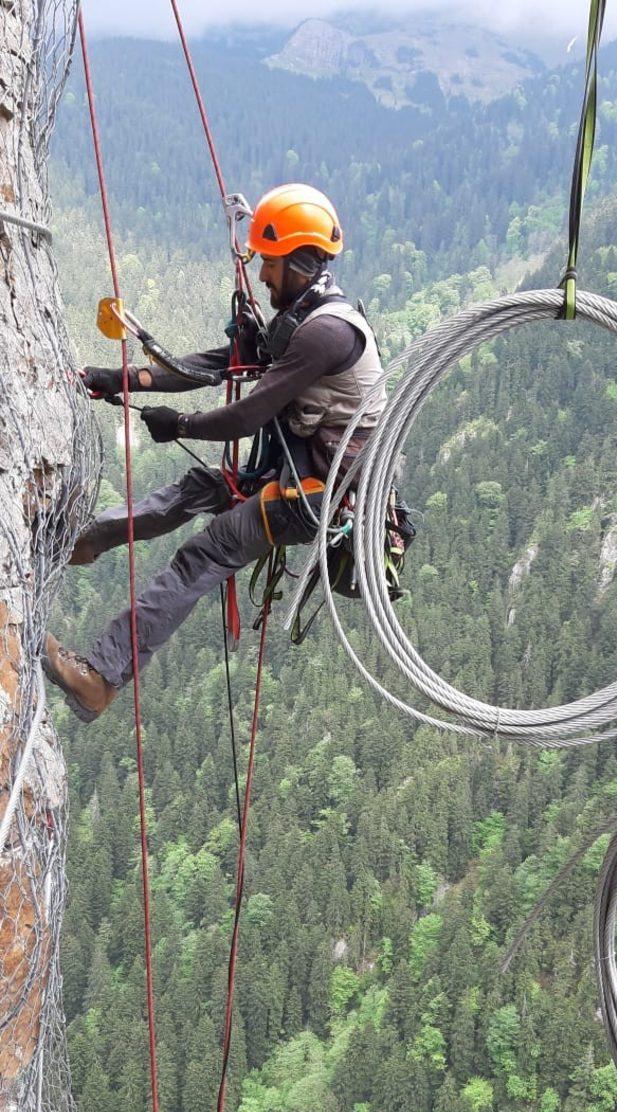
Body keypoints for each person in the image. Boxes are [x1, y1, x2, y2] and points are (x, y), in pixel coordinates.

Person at [44, 183, 386, 721]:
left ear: (297, 261)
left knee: (202, 556)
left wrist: (178, 425)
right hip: (291, 472)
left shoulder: (326, 334)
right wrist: (120, 379)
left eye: (269, 264)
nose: (262, 275)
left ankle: (101, 679)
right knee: (194, 489)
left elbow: (247, 414)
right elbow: (211, 364)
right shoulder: (299, 318)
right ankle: (82, 543)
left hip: (316, 496)